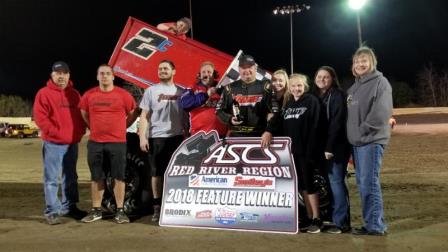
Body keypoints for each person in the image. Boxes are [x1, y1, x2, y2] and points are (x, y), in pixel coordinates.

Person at [79, 64, 136, 224]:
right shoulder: (89, 95)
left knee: (118, 177)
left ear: (113, 76)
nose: (104, 76)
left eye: (107, 73)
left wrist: (121, 128)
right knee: (97, 177)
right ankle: (96, 211)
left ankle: (120, 211)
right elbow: (84, 113)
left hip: (117, 143)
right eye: (101, 74)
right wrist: (94, 128)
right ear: (97, 77)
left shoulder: (123, 95)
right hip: (95, 143)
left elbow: (132, 113)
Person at [33, 61, 87, 225]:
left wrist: (79, 132)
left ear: (69, 75)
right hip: (53, 144)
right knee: (51, 179)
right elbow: (40, 118)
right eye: (58, 73)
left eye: (64, 73)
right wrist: (54, 133)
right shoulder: (44, 93)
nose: (61, 76)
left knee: (70, 177)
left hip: (71, 144)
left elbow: (81, 116)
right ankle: (52, 211)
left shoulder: (75, 94)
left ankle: (69, 207)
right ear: (52, 75)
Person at [347, 46, 393, 236]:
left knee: (369, 183)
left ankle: (375, 225)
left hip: (371, 141)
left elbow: (380, 113)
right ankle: (371, 223)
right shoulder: (354, 87)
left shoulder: (381, 83)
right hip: (357, 143)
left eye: (364, 60)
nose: (360, 64)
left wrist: (362, 130)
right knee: (363, 183)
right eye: (357, 61)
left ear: (372, 62)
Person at [275, 73, 325, 234]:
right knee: (302, 185)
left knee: (310, 184)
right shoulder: (288, 104)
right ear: (289, 87)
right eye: (293, 86)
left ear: (305, 86)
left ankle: (318, 218)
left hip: (307, 151)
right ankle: (310, 218)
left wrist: (311, 150)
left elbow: (317, 126)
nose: (296, 88)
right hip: (292, 152)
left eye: (299, 85)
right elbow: (279, 124)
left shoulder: (311, 101)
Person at [139, 60, 185, 222]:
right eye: (160, 69)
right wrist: (142, 137)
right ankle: (157, 207)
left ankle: (173, 204)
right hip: (156, 137)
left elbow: (186, 115)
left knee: (176, 172)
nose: (162, 71)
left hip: (177, 137)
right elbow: (144, 116)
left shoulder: (181, 91)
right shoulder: (151, 90)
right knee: (156, 173)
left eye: (166, 68)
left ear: (174, 71)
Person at [312, 66, 351, 234]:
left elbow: (337, 123)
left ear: (333, 79)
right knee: (329, 182)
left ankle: (341, 223)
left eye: (326, 77)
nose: (322, 79)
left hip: (336, 147)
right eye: (319, 76)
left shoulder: (337, 95)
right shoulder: (315, 96)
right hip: (322, 147)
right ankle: (333, 218)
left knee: (336, 182)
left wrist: (330, 147)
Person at [216, 54, 276, 147]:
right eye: (243, 67)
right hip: (235, 136)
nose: (247, 70)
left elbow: (274, 111)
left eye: (249, 67)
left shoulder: (266, 87)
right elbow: (218, 110)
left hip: (260, 137)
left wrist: (269, 130)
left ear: (255, 68)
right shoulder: (229, 88)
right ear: (239, 69)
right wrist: (229, 119)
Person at [180, 61, 227, 137]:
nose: (206, 74)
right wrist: (206, 95)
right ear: (199, 75)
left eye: (209, 72)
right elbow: (185, 104)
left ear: (214, 75)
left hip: (220, 136)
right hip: (199, 136)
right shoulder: (193, 87)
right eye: (203, 72)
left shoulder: (222, 89)